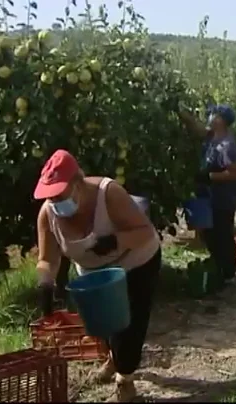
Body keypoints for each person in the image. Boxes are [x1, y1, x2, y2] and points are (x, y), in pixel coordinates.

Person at [33, 149, 161, 402]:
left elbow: (144, 232)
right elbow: (47, 259)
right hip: (95, 274)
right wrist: (44, 284)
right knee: (102, 325)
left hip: (136, 262)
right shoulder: (48, 215)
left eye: (60, 194)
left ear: (78, 183)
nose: (56, 201)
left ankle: (125, 383)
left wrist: (115, 240)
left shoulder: (108, 194)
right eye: (51, 196)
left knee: (129, 325)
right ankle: (115, 360)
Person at [179, 104, 236, 288]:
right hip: (210, 197)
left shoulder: (226, 145)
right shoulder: (212, 137)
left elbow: (235, 173)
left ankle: (228, 274)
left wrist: (208, 176)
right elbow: (198, 129)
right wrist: (181, 112)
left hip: (222, 198)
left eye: (214, 115)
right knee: (210, 234)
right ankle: (219, 268)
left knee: (222, 234)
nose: (210, 117)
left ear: (222, 120)